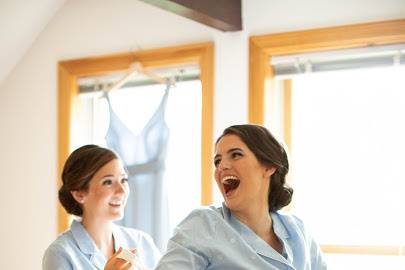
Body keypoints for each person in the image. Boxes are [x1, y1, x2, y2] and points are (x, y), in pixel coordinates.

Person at [156, 124, 327, 269]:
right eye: (217, 161)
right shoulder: (202, 224)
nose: (221, 166)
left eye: (236, 154)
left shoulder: (298, 230)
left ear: (268, 166)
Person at [42, 145, 161, 270]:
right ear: (79, 194)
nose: (121, 191)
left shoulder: (141, 242)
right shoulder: (60, 254)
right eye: (108, 182)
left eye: (124, 180)